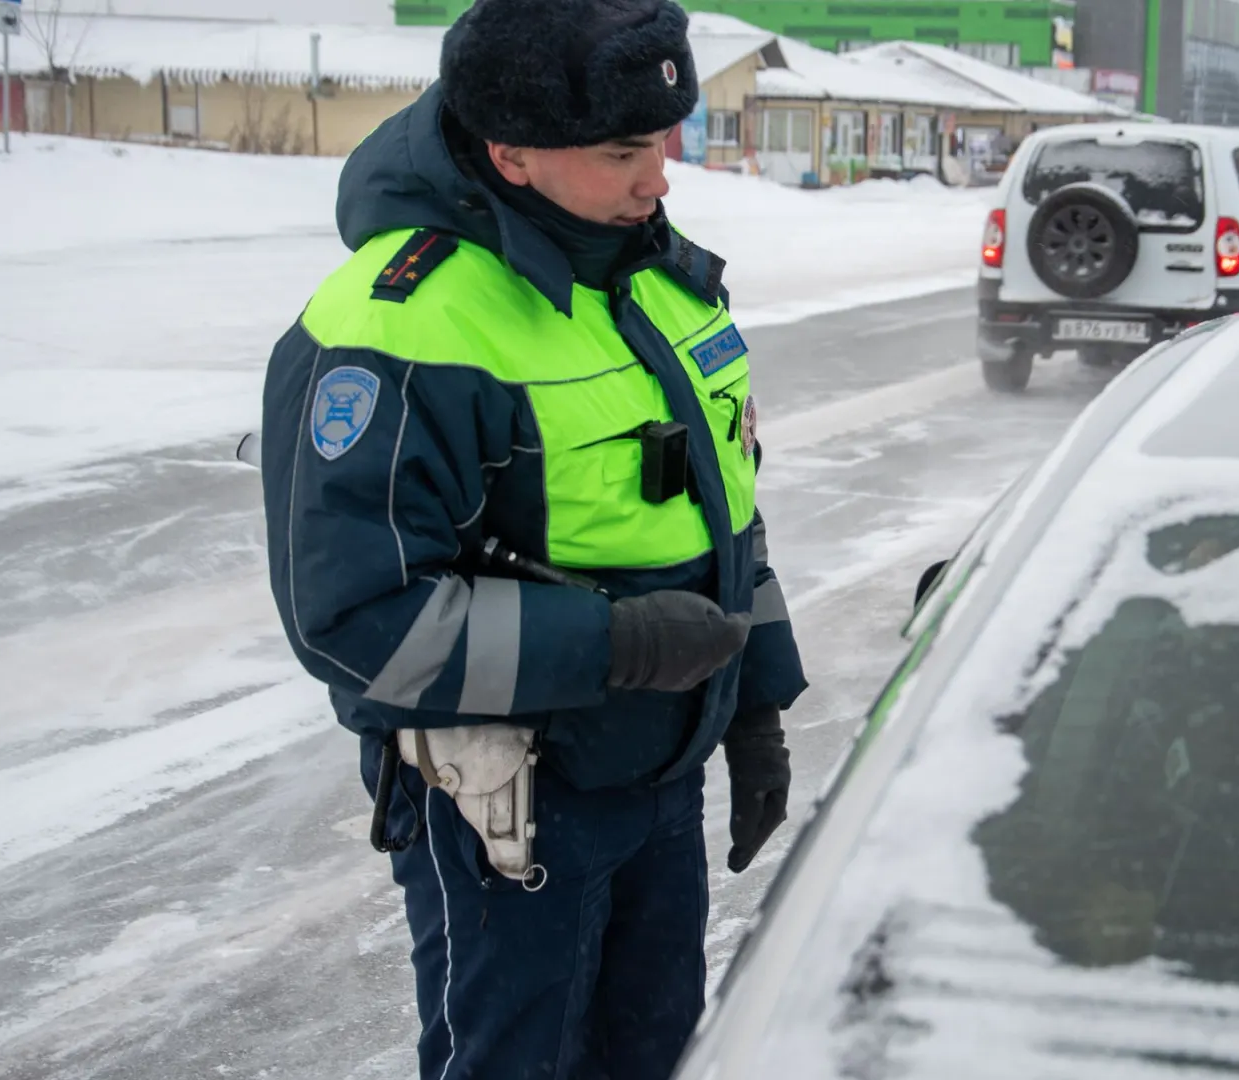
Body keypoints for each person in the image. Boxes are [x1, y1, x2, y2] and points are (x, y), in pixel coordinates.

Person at [255, 0, 807, 1075]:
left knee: (652, 1051)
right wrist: (613, 646)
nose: (659, 178)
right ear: (509, 152)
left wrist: (754, 707)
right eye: (621, 151)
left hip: (660, 773)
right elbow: (353, 617)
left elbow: (724, 516)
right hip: (505, 802)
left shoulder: (653, 275)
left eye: (662, 141)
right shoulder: (401, 323)